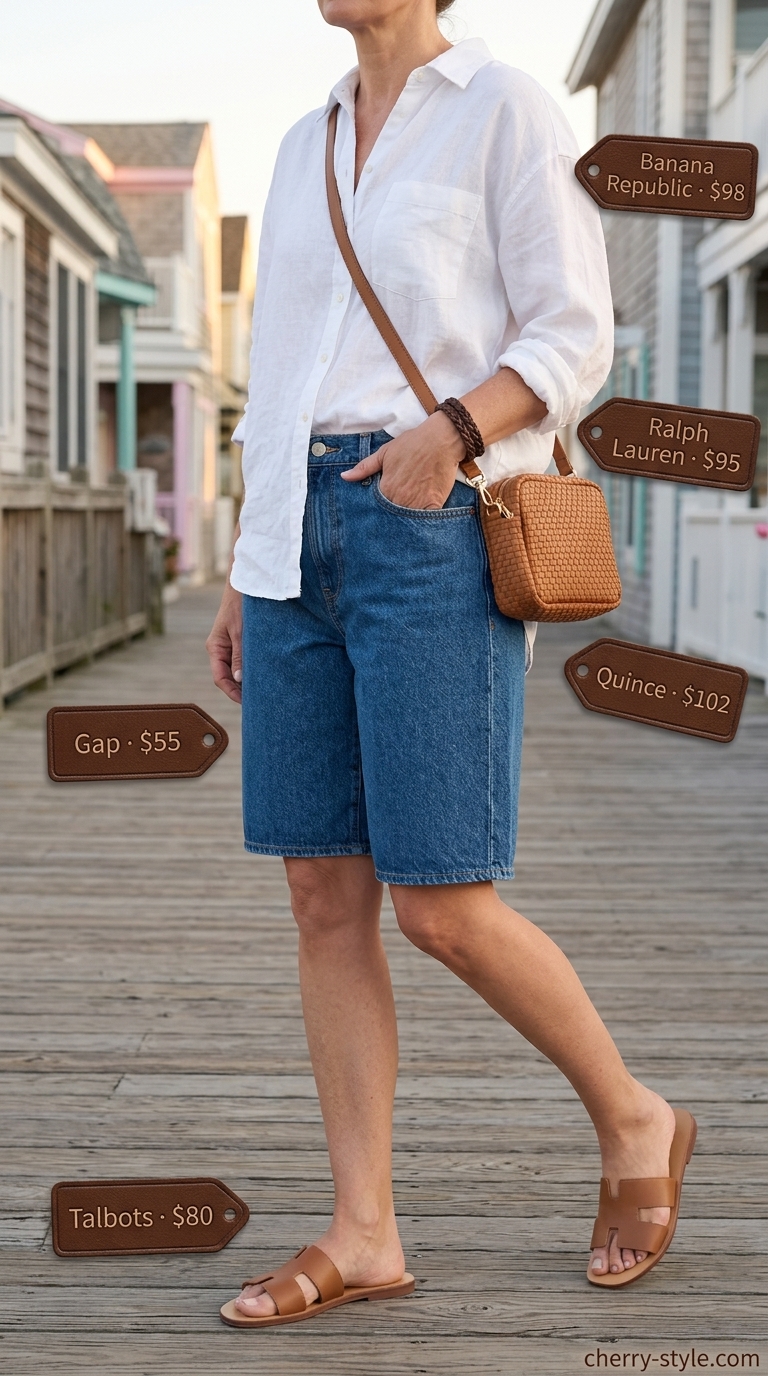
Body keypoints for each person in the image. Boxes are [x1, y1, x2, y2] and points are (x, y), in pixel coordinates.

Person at [207, 0, 695, 1329]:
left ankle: (636, 1116)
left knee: (441, 903)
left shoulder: (506, 107)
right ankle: (364, 1232)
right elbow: (282, 367)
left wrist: (452, 435)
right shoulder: (304, 139)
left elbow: (573, 330)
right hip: (297, 539)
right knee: (321, 892)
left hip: (431, 526)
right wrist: (254, 567)